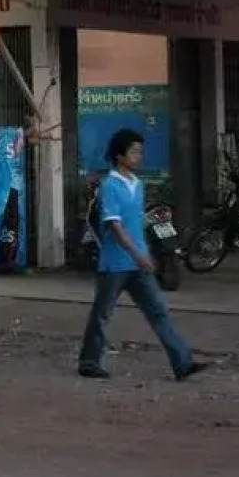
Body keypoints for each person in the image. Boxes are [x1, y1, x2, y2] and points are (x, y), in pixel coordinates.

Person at [77, 128, 209, 381]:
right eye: (133, 151)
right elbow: (115, 227)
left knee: (158, 312)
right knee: (102, 314)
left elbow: (136, 224)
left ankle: (182, 363)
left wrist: (144, 254)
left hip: (138, 263)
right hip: (115, 264)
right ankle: (89, 362)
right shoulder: (110, 186)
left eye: (140, 151)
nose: (139, 156)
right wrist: (138, 254)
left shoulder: (138, 185)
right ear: (119, 156)